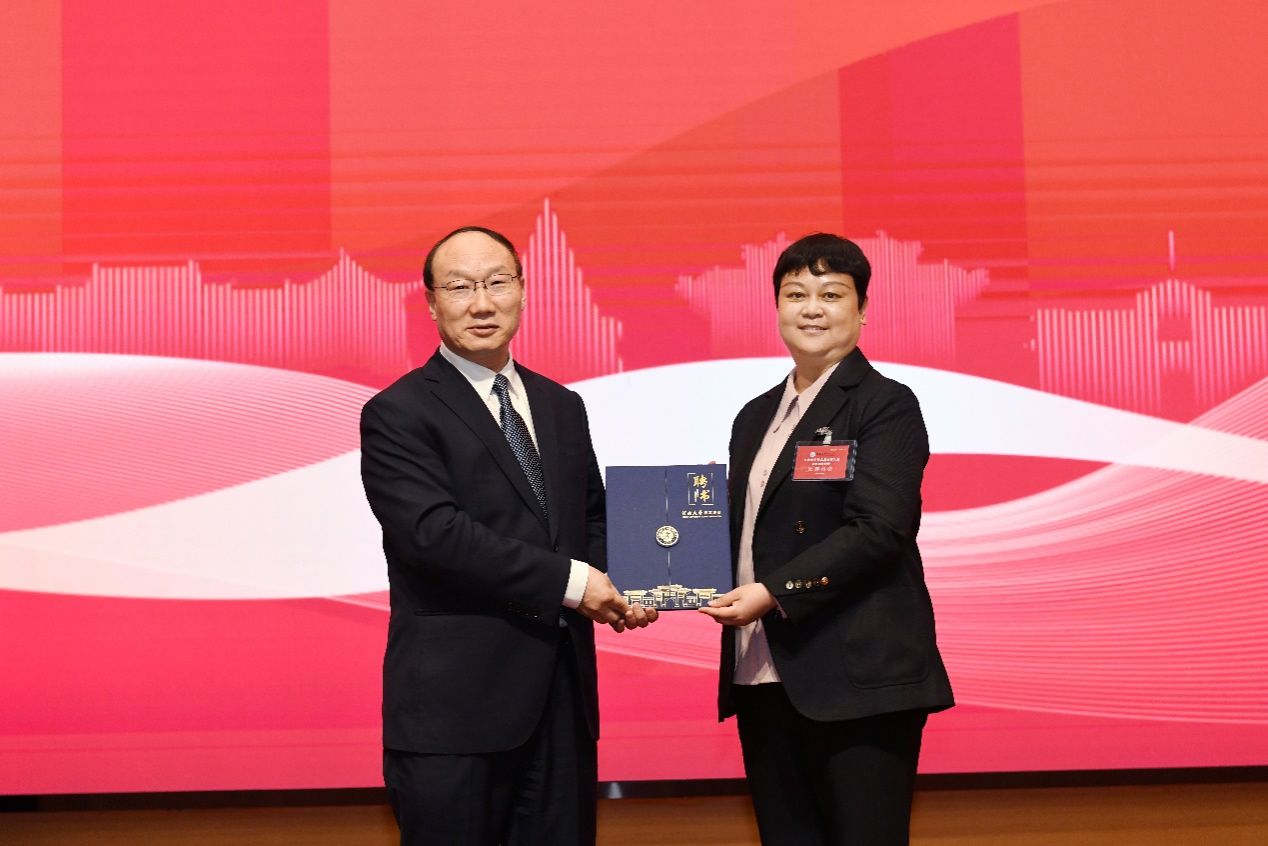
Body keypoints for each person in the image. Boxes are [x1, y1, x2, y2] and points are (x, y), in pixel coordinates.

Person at [360, 226, 656, 846]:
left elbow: (590, 518)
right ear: (431, 301)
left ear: (523, 290)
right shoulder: (398, 412)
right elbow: (435, 535)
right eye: (460, 287)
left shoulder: (561, 405)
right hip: (455, 716)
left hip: (561, 703)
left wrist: (635, 581)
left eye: (497, 283)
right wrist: (576, 584)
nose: (482, 303)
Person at [699, 232, 954, 845]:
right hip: (763, 673)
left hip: (858, 679)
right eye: (796, 294)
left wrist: (773, 593)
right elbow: (745, 531)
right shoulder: (754, 415)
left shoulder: (885, 405)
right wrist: (661, 579)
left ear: (862, 310)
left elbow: (880, 529)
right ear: (777, 308)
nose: (812, 309)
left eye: (832, 294)